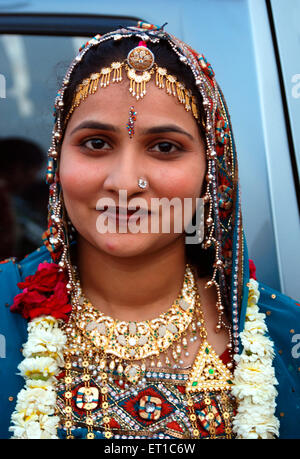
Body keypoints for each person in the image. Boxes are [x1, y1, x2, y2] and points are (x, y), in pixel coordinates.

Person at [0, 22, 299, 440]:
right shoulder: (5, 310)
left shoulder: (280, 332)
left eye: (164, 148)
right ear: (58, 157)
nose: (125, 183)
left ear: (212, 172)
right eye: (97, 144)